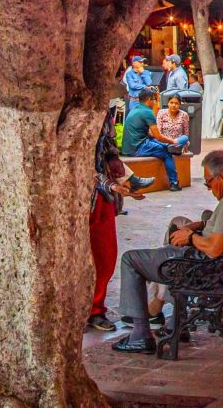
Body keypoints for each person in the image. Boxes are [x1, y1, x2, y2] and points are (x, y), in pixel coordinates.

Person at [110, 149, 223, 354]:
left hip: (205, 267)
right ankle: (176, 320)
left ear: (222, 178)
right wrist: (199, 225)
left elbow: (214, 248)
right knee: (178, 225)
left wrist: (190, 237)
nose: (209, 188)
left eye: (208, 182)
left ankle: (140, 334)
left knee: (131, 259)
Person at [87, 115, 143, 333]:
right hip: (82, 197)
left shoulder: (104, 114)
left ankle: (95, 309)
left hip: (102, 197)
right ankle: (86, 310)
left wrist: (119, 173)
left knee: (105, 256)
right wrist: (111, 185)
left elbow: (109, 148)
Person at [122, 88, 183, 191]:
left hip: (130, 146)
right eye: (154, 100)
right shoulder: (147, 112)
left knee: (162, 144)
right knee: (166, 153)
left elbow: (148, 133)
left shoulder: (136, 108)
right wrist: (173, 141)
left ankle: (170, 147)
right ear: (150, 99)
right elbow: (158, 136)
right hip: (137, 148)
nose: (155, 102)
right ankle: (174, 183)